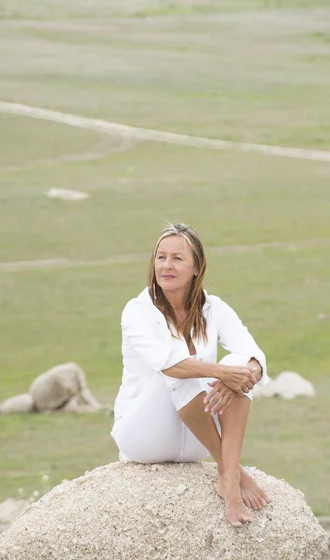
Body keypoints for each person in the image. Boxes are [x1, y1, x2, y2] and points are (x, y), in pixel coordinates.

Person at [111, 222, 272, 528]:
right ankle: (232, 472)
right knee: (182, 368)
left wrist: (242, 372)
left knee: (241, 361)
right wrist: (223, 372)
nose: (166, 266)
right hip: (145, 436)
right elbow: (170, 364)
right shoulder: (137, 310)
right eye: (161, 257)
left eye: (177, 258)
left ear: (197, 267)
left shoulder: (214, 308)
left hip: (197, 440)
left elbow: (255, 356)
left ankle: (228, 469)